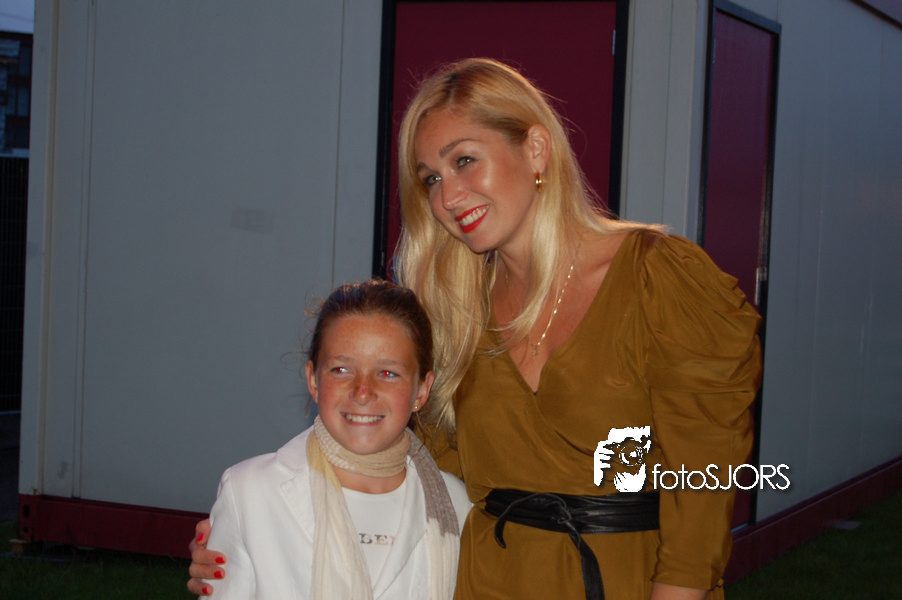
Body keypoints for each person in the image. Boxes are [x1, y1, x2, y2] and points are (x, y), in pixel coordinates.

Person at [189, 58, 761, 600]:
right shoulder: (453, 312)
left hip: (627, 579)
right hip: (486, 581)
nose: (447, 197)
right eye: (430, 178)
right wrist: (252, 527)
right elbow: (402, 464)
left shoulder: (656, 277)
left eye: (464, 160)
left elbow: (705, 479)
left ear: (536, 149)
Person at [195, 279, 471, 599]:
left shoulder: (457, 504)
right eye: (341, 370)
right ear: (313, 380)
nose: (362, 392)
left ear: (421, 390)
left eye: (387, 373)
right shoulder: (249, 494)